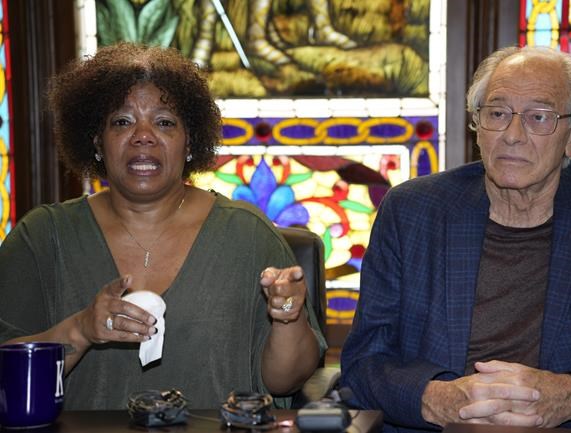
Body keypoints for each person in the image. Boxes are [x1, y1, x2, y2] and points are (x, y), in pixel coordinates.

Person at [0, 42, 326, 410]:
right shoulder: (43, 237)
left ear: (190, 143)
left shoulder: (248, 235)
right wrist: (81, 329)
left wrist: (287, 317)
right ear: (97, 142)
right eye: (122, 121)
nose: (143, 135)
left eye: (164, 122)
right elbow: (6, 380)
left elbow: (286, 382)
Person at [340, 45, 571, 432]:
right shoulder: (412, 210)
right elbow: (363, 365)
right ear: (477, 124)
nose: (512, 136)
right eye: (497, 114)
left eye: (539, 117)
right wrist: (436, 398)